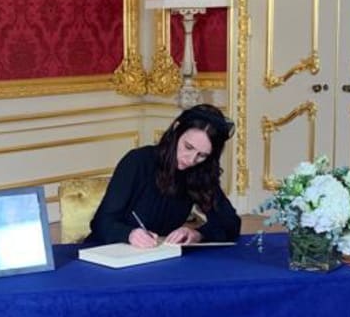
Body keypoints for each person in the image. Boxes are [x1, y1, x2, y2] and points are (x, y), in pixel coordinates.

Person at [86, 104, 242, 248]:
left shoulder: (200, 172)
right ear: (176, 130)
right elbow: (101, 222)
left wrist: (197, 234)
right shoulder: (138, 161)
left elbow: (231, 223)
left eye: (202, 155)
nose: (191, 159)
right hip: (108, 252)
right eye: (188, 147)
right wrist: (129, 234)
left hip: (155, 257)